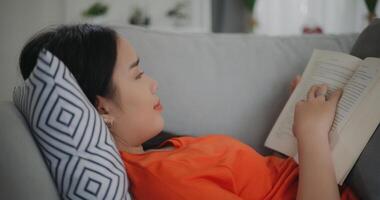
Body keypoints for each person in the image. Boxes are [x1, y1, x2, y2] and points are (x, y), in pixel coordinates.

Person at [19, 24, 358, 200]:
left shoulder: (164, 154)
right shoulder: (163, 182)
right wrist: (311, 135)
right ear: (100, 106)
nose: (152, 84)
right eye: (136, 74)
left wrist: (296, 124)